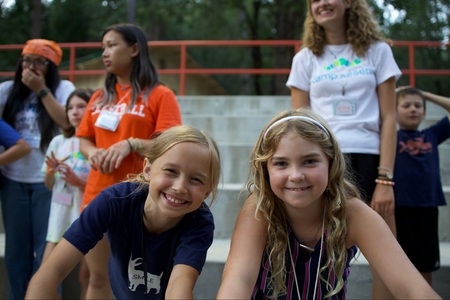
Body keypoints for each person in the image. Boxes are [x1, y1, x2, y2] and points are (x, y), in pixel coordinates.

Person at [216, 108, 441, 300]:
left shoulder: (353, 213)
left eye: (310, 161)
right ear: (265, 170)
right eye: (281, 163)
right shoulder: (260, 208)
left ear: (331, 163)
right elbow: (239, 279)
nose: (296, 175)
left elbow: (412, 288)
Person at [285, 0, 401, 297]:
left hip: (370, 158)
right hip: (323, 160)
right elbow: (299, 123)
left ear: (349, 2)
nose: (322, 3)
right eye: (314, 0)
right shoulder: (306, 57)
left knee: (385, 259)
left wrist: (385, 179)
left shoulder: (378, 50)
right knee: (321, 252)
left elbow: (389, 118)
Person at [26, 125, 221, 299]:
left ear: (208, 191)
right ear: (148, 169)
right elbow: (48, 274)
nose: (179, 187)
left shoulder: (199, 222)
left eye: (196, 179)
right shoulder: (114, 201)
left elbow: (179, 287)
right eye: (171, 171)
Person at [76, 23, 182, 298]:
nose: (105, 53)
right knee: (98, 280)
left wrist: (131, 144)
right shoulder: (98, 97)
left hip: (138, 200)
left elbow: (172, 145)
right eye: (103, 48)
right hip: (96, 196)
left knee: (136, 284)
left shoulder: (160, 94)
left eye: (112, 45)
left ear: (135, 49)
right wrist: (93, 152)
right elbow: (84, 139)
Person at [0, 38, 75, 299]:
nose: (31, 67)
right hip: (13, 180)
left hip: (48, 182)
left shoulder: (63, 88)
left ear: (51, 66)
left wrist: (42, 91)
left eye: (39, 62)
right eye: (26, 61)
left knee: (48, 252)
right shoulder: (7, 90)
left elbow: (68, 124)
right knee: (15, 253)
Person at [394, 87, 450, 286]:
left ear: (424, 112)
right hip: (398, 210)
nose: (413, 109)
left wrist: (426, 94)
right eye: (406, 105)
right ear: (395, 111)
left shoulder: (432, 135)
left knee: (424, 267)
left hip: (427, 209)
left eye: (418, 106)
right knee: (398, 267)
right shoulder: (389, 138)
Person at [40, 88, 92, 297]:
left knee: (87, 276)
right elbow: (48, 184)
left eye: (81, 106)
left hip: (87, 218)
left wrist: (78, 181)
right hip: (59, 217)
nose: (74, 112)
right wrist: (51, 171)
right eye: (70, 107)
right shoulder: (58, 142)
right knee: (46, 274)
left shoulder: (97, 144)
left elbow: (104, 187)